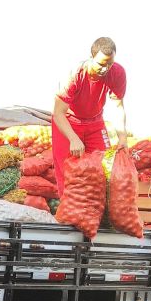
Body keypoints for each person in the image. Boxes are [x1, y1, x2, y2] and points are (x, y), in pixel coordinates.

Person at [51, 36, 129, 193]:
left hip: (95, 123)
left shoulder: (118, 73)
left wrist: (122, 137)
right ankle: (68, 215)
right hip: (68, 123)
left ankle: (100, 215)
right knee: (68, 174)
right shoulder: (75, 75)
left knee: (105, 168)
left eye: (110, 63)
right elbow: (58, 113)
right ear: (91, 57)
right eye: (101, 64)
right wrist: (73, 138)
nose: (105, 68)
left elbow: (118, 106)